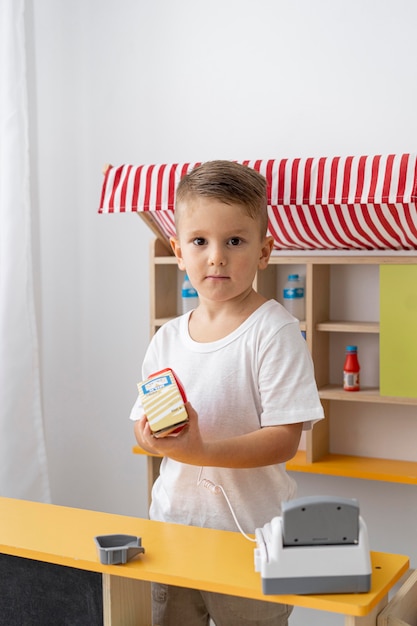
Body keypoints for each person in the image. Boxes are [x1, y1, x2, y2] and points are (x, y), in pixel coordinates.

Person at [130, 160, 324, 626]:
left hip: (251, 540)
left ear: (264, 251)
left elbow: (284, 439)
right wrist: (149, 437)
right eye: (200, 241)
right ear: (178, 250)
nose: (216, 256)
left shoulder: (274, 332)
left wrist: (201, 450)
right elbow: (144, 430)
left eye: (234, 241)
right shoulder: (168, 338)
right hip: (173, 531)